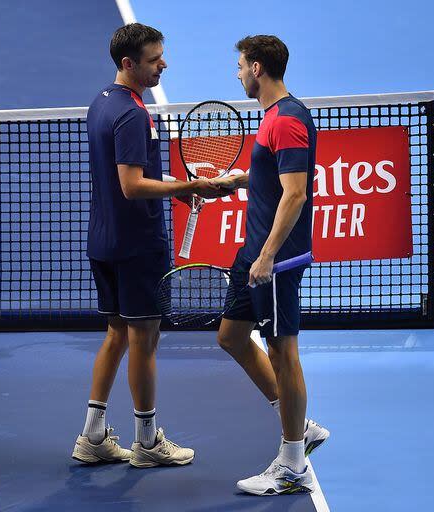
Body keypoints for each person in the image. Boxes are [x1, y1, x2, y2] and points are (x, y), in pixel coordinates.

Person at [71, 23, 220, 468]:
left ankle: (92, 436)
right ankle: (147, 441)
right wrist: (186, 185)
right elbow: (132, 185)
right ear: (128, 63)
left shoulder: (102, 103)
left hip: (104, 241)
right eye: (155, 59)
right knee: (144, 341)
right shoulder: (134, 115)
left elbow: (126, 183)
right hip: (137, 246)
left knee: (117, 334)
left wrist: (176, 187)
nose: (164, 64)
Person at [209, 35, 330, 495]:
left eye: (240, 65)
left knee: (283, 352)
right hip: (254, 251)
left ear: (257, 68)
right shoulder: (272, 118)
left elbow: (296, 193)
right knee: (232, 336)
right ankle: (301, 425)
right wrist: (239, 179)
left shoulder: (288, 120)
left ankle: (292, 464)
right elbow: (275, 180)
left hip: (273, 260)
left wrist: (267, 256)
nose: (237, 73)